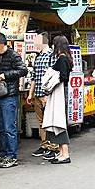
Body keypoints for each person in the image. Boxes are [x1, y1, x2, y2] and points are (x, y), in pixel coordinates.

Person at [0, 32, 28, 168]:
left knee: (9, 127)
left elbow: (23, 70)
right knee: (1, 126)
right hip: (1, 95)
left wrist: (6, 75)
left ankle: (12, 156)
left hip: (10, 96)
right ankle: (4, 153)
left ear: (1, 44)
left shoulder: (13, 55)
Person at [42, 35, 74, 164]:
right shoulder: (67, 58)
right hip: (61, 93)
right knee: (59, 122)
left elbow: (63, 76)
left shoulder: (61, 59)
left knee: (59, 123)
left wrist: (51, 76)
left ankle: (65, 154)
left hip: (58, 94)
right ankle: (61, 152)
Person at [27, 33, 58, 160]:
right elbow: (34, 77)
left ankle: (54, 147)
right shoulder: (38, 57)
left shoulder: (52, 55)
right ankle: (44, 145)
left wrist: (47, 95)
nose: (35, 44)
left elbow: (53, 77)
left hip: (47, 95)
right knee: (41, 123)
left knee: (50, 122)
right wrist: (30, 93)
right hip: (38, 95)